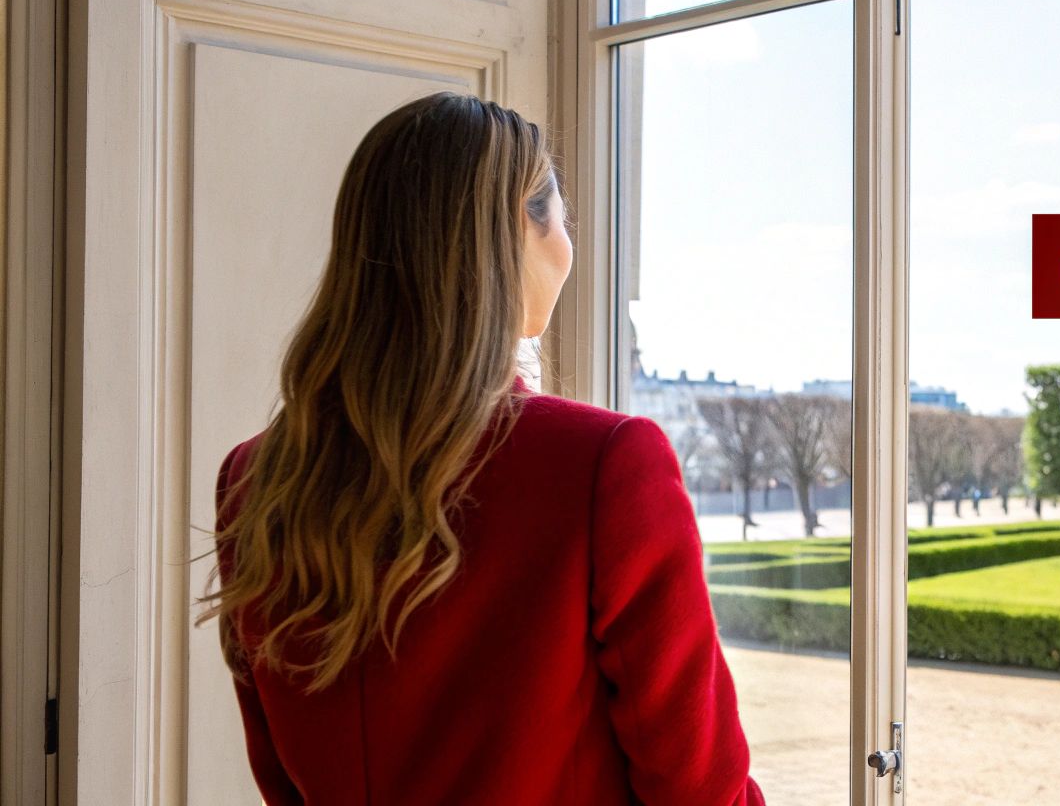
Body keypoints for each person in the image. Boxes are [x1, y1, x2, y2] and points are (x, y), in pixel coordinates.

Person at [199, 94, 765, 805]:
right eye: (560, 216)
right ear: (516, 236)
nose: (569, 245)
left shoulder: (254, 477)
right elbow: (701, 789)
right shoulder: (608, 463)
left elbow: (281, 778)